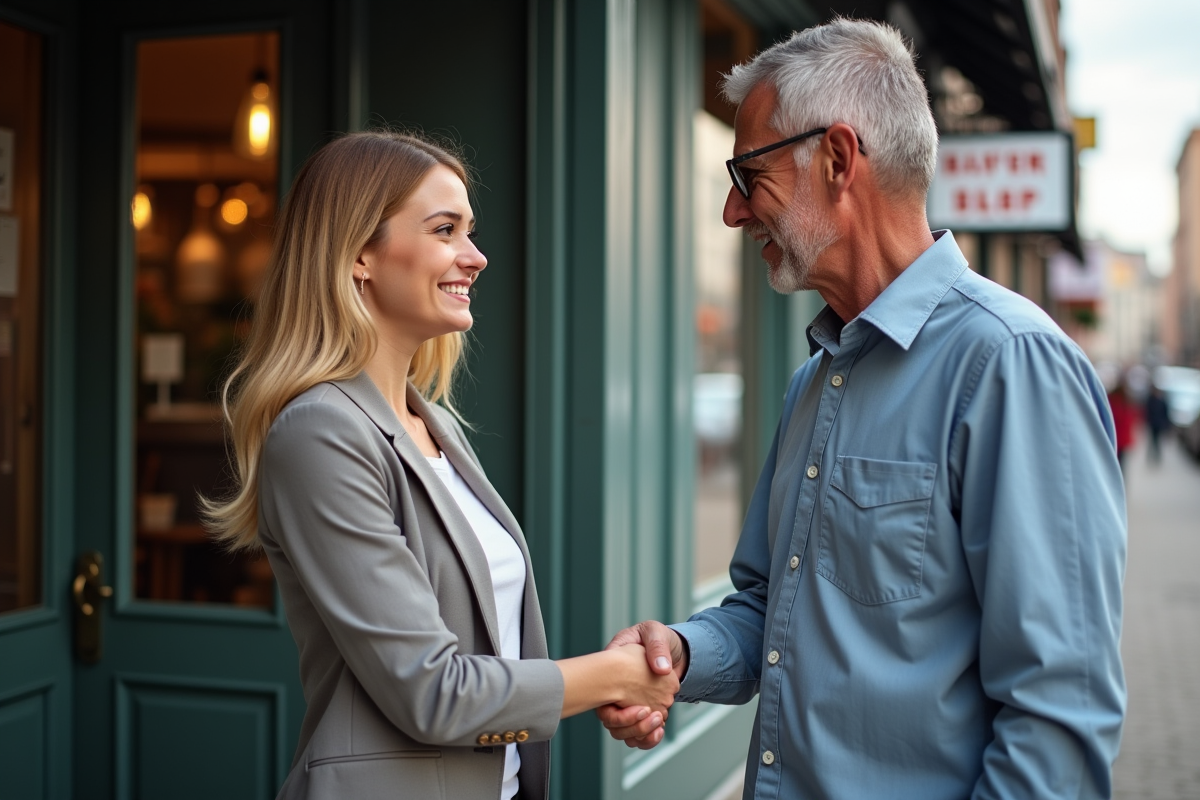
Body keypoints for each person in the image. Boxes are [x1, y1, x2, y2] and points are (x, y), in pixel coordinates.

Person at [597, 19, 1127, 800]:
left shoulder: (1012, 364)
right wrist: (678, 652)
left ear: (839, 159)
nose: (733, 214)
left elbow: (1058, 719)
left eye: (749, 175)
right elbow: (769, 609)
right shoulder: (815, 379)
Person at [203, 131, 677, 800]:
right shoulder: (320, 435)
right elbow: (433, 691)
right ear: (360, 254)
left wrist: (617, 684)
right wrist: (618, 677)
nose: (476, 256)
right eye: (445, 230)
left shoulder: (435, 425)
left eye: (470, 231)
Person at [1143, 384, 1170, 464]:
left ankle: (1157, 456)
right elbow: (1147, 411)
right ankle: (1151, 456)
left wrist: (1166, 425)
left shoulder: (1162, 402)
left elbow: (1166, 413)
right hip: (1153, 424)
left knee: (1157, 441)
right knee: (1152, 440)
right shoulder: (1151, 400)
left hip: (1159, 424)